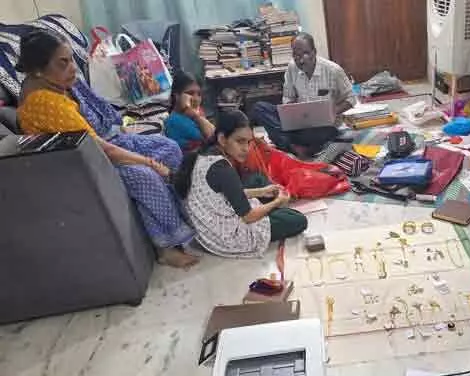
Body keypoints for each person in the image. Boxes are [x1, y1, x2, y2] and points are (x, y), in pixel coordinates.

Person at [16, 29, 198, 268]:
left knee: (169, 147)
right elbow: (100, 149)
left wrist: (128, 135)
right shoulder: (43, 102)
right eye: (63, 63)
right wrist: (149, 163)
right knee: (144, 176)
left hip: (105, 142)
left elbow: (105, 119)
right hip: (86, 164)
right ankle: (165, 245)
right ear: (38, 69)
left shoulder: (57, 81)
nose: (73, 68)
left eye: (71, 60)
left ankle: (185, 217)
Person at [174, 109, 308, 258]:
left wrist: (262, 191)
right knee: (298, 219)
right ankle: (275, 210)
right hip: (229, 236)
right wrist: (277, 202)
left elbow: (221, 195)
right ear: (222, 139)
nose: (246, 148)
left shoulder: (205, 154)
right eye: (240, 141)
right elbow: (248, 217)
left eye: (248, 142)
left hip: (213, 224)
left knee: (257, 180)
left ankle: (272, 207)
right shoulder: (222, 169)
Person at [252, 32, 356, 157]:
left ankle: (289, 144)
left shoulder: (333, 70)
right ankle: (294, 146)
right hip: (298, 125)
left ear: (314, 52)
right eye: (296, 55)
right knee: (260, 108)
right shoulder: (292, 68)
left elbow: (351, 99)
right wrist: (291, 111)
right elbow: (288, 97)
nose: (301, 60)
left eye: (305, 54)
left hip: (323, 127)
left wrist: (332, 112)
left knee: (324, 133)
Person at [164, 71, 215, 151]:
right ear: (177, 96)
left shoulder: (196, 112)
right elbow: (212, 137)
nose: (196, 99)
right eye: (190, 93)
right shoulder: (174, 121)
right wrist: (196, 117)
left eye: (199, 94)